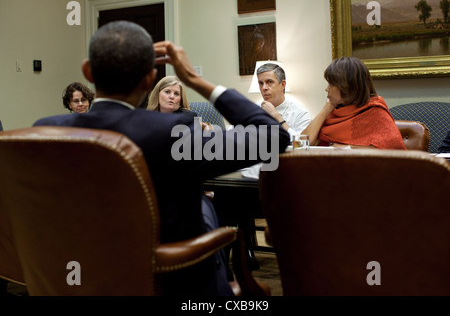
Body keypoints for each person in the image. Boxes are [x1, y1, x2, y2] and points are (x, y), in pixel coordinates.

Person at [33, 21, 290, 296]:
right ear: (149, 80)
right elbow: (273, 137)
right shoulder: (172, 133)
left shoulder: (43, 132)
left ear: (88, 72)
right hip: (173, 285)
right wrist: (194, 79)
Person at [302, 57, 406, 150]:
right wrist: (326, 108)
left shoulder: (375, 112)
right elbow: (299, 145)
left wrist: (345, 148)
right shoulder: (333, 112)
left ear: (347, 86)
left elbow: (393, 151)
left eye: (331, 84)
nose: (326, 89)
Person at [241, 63, 311, 179]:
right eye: (260, 83)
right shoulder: (252, 110)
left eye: (269, 82)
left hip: (287, 174)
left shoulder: (300, 113)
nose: (264, 88)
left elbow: (302, 146)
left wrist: (277, 116)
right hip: (251, 174)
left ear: (282, 84)